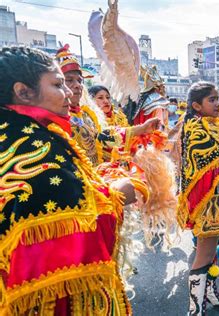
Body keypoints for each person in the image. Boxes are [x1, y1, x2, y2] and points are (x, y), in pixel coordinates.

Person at [0, 46, 136, 315]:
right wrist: (121, 192)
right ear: (23, 91)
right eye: (59, 84)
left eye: (74, 82)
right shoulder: (34, 148)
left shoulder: (17, 133)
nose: (70, 91)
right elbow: (73, 239)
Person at [178, 82, 219, 315]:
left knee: (212, 251)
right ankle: (195, 307)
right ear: (196, 105)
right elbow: (203, 161)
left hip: (218, 198)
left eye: (217, 99)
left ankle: (209, 293)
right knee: (204, 253)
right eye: (212, 99)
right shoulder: (196, 127)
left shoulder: (211, 124)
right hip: (206, 200)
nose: (217, 103)